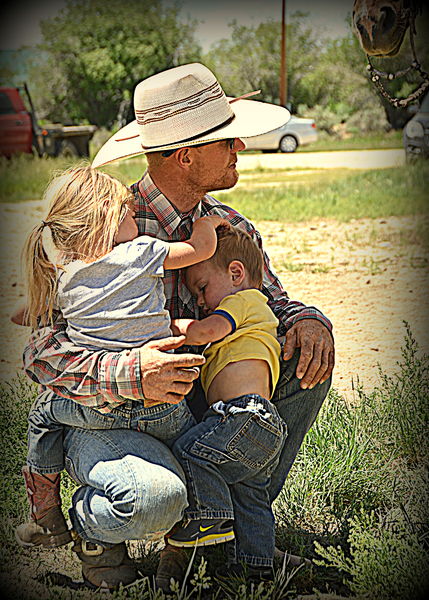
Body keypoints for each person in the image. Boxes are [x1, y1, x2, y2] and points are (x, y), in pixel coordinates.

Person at [20, 63, 334, 591]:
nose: (238, 147)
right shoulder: (101, 223)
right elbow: (40, 353)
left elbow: (271, 302)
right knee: (152, 498)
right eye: (224, 139)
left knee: (308, 360)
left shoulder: (230, 224)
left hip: (195, 403)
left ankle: (225, 528)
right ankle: (98, 529)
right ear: (185, 154)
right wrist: (132, 371)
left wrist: (308, 320)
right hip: (115, 414)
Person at [13, 165, 226, 580]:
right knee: (195, 445)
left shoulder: (65, 278)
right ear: (109, 219)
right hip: (163, 407)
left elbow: (30, 317)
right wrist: (208, 225)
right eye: (128, 213)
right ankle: (202, 520)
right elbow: (199, 249)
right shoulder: (142, 251)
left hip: (98, 409)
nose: (135, 218)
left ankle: (46, 511)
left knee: (44, 414)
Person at [159, 225, 287, 583]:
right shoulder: (249, 313)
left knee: (189, 449)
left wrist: (164, 325)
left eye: (202, 289)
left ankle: (209, 519)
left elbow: (204, 332)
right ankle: (256, 565)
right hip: (260, 422)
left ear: (235, 273)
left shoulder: (242, 301)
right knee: (251, 493)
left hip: (241, 415)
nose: (200, 302)